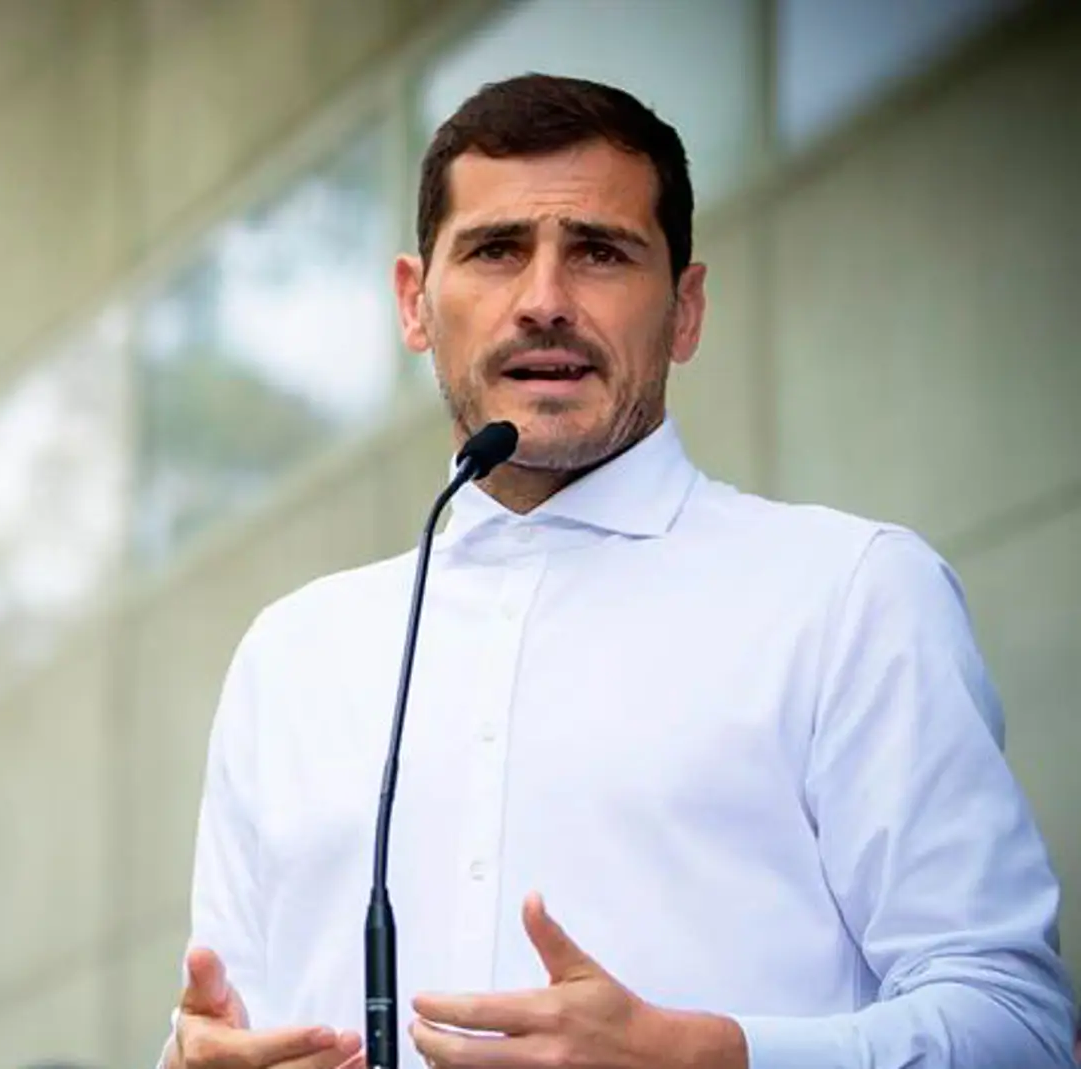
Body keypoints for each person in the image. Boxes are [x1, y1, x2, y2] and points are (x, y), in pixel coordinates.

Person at [158, 73, 1075, 1069]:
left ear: (684, 310)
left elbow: (1018, 1028)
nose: (544, 302)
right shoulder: (290, 654)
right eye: (495, 250)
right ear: (415, 303)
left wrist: (704, 1058)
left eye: (599, 252)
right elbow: (215, 1028)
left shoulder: (851, 593)